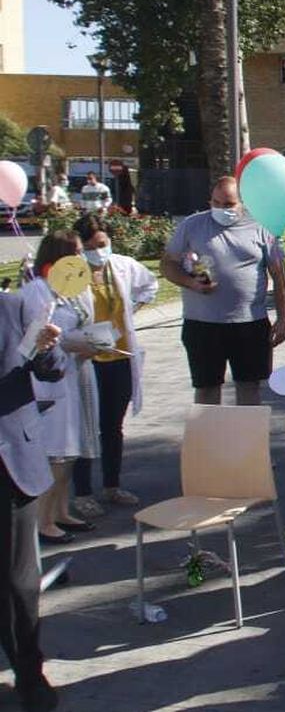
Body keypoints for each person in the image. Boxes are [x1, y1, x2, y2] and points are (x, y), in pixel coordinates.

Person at [161, 176, 285, 406]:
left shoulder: (262, 226)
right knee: (206, 390)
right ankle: (209, 431)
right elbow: (167, 264)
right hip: (202, 324)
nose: (222, 209)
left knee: (249, 387)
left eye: (229, 204)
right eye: (216, 203)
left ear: (242, 202)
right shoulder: (192, 225)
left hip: (250, 323)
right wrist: (191, 283)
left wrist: (283, 319)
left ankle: (247, 431)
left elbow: (280, 277)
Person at [0, 291, 65, 712]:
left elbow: (53, 370)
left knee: (18, 581)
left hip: (9, 461)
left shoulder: (15, 307)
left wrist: (46, 347)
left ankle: (29, 672)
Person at [68, 215, 157, 518]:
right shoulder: (73, 273)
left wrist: (131, 311)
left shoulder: (122, 265)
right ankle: (82, 492)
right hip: (87, 360)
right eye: (91, 247)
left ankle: (112, 485)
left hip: (118, 355)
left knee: (112, 426)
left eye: (102, 244)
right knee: (85, 427)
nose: (98, 252)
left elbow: (149, 285)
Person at [22, 233, 97, 546]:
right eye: (76, 252)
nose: (82, 258)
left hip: (71, 373)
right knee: (56, 454)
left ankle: (61, 511)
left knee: (69, 451)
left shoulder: (69, 290)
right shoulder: (38, 291)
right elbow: (34, 339)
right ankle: (43, 521)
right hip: (47, 381)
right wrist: (69, 343)